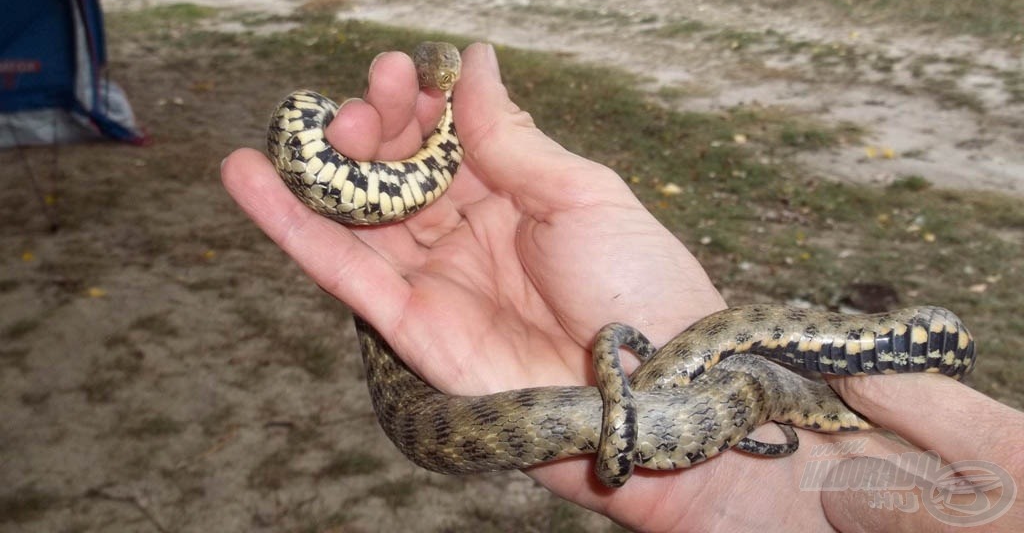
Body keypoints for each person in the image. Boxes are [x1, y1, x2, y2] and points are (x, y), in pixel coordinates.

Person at [222, 43, 1023, 532]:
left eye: (443, 79)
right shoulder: (433, 148)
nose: (442, 82)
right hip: (689, 399)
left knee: (771, 373)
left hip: (695, 390)